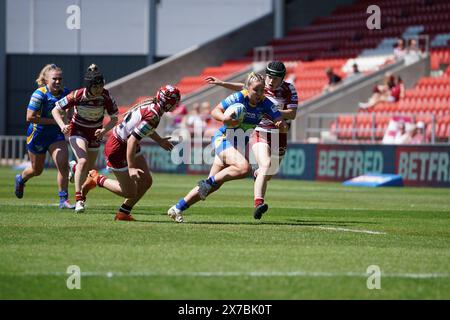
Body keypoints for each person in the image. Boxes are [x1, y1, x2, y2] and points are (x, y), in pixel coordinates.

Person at [167, 72, 288, 223]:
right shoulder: (238, 98)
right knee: (244, 168)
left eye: (262, 89)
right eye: (256, 89)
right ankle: (208, 183)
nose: (259, 93)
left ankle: (177, 208)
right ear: (247, 88)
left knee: (211, 187)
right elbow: (215, 111)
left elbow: (279, 120)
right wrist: (225, 119)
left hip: (237, 144)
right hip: (223, 139)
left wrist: (280, 124)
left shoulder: (265, 103)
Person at [205, 61, 298, 219]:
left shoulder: (289, 89)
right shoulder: (261, 87)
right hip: (260, 131)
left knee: (268, 173)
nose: (270, 81)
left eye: (275, 78)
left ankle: (258, 175)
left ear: (282, 78)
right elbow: (243, 87)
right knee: (266, 165)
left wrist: (272, 110)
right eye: (269, 76)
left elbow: (292, 114)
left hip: (279, 134)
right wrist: (222, 83)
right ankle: (258, 203)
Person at [79, 85, 180, 221]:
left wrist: (159, 140)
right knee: (129, 192)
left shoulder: (152, 105)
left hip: (125, 143)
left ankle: (123, 213)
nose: (176, 106)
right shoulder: (153, 115)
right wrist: (131, 167)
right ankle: (96, 178)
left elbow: (141, 130)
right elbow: (132, 139)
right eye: (175, 102)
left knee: (146, 181)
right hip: (118, 147)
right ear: (167, 102)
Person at [52, 64, 118, 213]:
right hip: (78, 131)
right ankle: (79, 199)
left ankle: (73, 167)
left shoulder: (106, 96)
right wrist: (63, 125)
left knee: (87, 169)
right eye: (96, 87)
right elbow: (55, 109)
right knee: (83, 161)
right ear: (89, 86)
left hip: (95, 134)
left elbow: (114, 118)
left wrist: (104, 130)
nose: (99, 89)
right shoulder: (77, 95)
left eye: (101, 86)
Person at [14, 64, 74, 209]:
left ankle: (63, 200)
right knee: (37, 170)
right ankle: (21, 179)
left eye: (60, 79)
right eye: (55, 79)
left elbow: (70, 112)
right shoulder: (39, 94)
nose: (58, 82)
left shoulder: (66, 93)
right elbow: (30, 117)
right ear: (47, 80)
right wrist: (56, 121)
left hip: (56, 135)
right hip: (38, 135)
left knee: (63, 166)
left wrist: (69, 121)